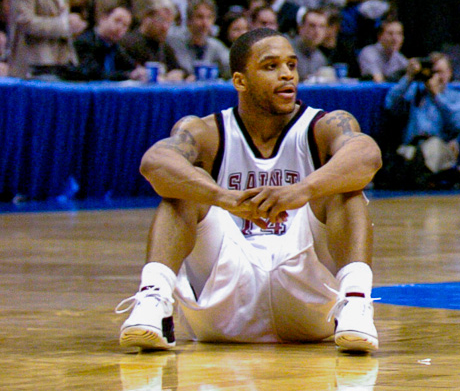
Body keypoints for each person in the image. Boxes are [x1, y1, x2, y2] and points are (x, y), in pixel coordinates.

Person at [116, 27, 381, 353]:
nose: (287, 75)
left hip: (309, 298)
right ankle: (153, 302)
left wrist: (302, 190)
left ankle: (355, 301)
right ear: (240, 81)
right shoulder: (206, 131)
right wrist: (224, 198)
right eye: (271, 66)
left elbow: (368, 155)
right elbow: (154, 163)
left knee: (344, 186)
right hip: (225, 292)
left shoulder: (324, 125)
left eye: (292, 65)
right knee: (185, 183)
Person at [380, 54, 460, 188]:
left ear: (449, 73)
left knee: (429, 150)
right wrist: (409, 78)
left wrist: (437, 96)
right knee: (404, 157)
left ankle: (420, 175)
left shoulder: (458, 98)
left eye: (440, 72)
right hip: (412, 146)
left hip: (440, 147)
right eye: (432, 72)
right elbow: (389, 104)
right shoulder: (415, 92)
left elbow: (458, 123)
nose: (436, 77)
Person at [121, 0, 188, 80]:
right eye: (161, 20)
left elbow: (181, 69)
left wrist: (179, 74)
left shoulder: (164, 47)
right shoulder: (128, 44)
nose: (165, 27)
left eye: (169, 23)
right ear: (147, 18)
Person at [169, 0, 232, 76]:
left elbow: (231, 67)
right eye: (200, 17)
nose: (205, 23)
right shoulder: (174, 43)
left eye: (209, 17)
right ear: (189, 20)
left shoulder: (215, 46)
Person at [72, 5, 138, 80]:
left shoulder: (115, 47)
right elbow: (94, 74)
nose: (120, 28)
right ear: (103, 19)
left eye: (125, 25)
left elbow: (131, 67)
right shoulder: (85, 41)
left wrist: (138, 72)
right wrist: (128, 75)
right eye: (117, 21)